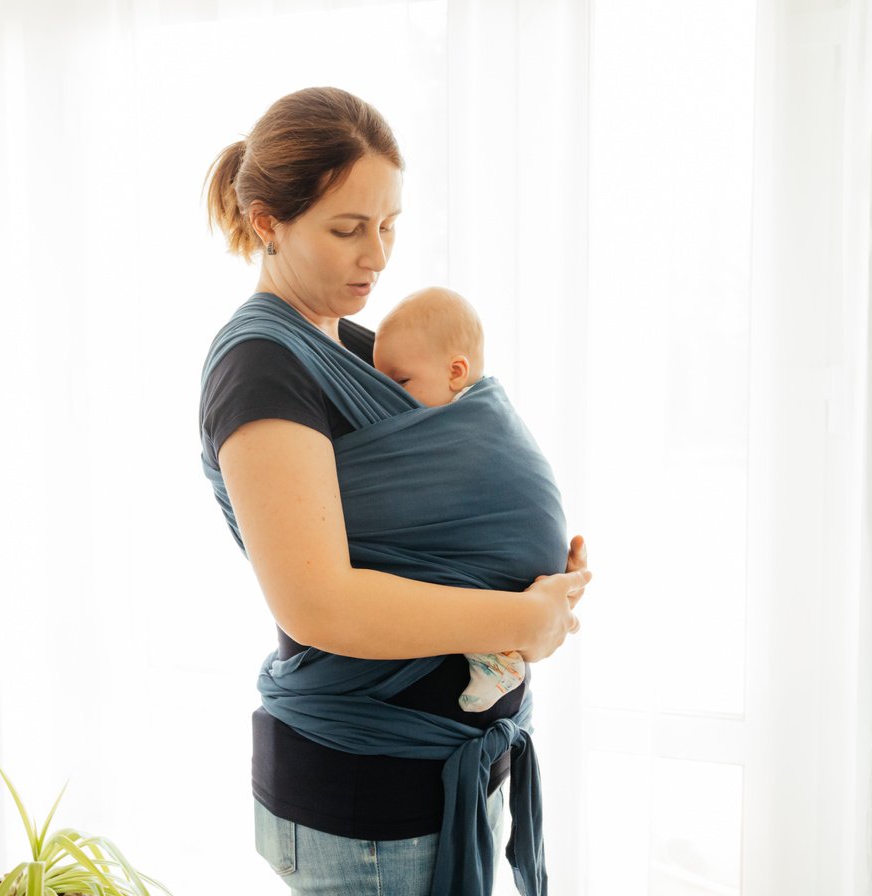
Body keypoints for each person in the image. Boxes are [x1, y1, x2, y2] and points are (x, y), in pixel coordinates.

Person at [199, 86, 589, 896]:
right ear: (268, 222)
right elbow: (321, 604)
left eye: (389, 225)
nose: (376, 256)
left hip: (439, 779)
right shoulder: (261, 367)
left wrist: (530, 559)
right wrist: (527, 616)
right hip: (368, 795)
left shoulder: (365, 345)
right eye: (348, 229)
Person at [373, 286, 533, 713]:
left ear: (456, 372)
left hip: (505, 558)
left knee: (455, 575)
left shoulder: (470, 422)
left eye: (401, 382)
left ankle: (496, 659)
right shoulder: (450, 412)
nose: (390, 398)